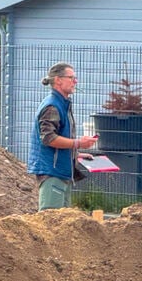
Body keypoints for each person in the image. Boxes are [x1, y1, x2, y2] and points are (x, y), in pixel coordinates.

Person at [27, 62, 98, 211]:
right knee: (51, 220)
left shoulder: (61, 104)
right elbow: (48, 138)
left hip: (61, 172)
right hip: (53, 173)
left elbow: (57, 137)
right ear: (58, 80)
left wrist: (75, 153)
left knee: (62, 221)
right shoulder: (52, 106)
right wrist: (78, 143)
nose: (75, 81)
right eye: (71, 78)